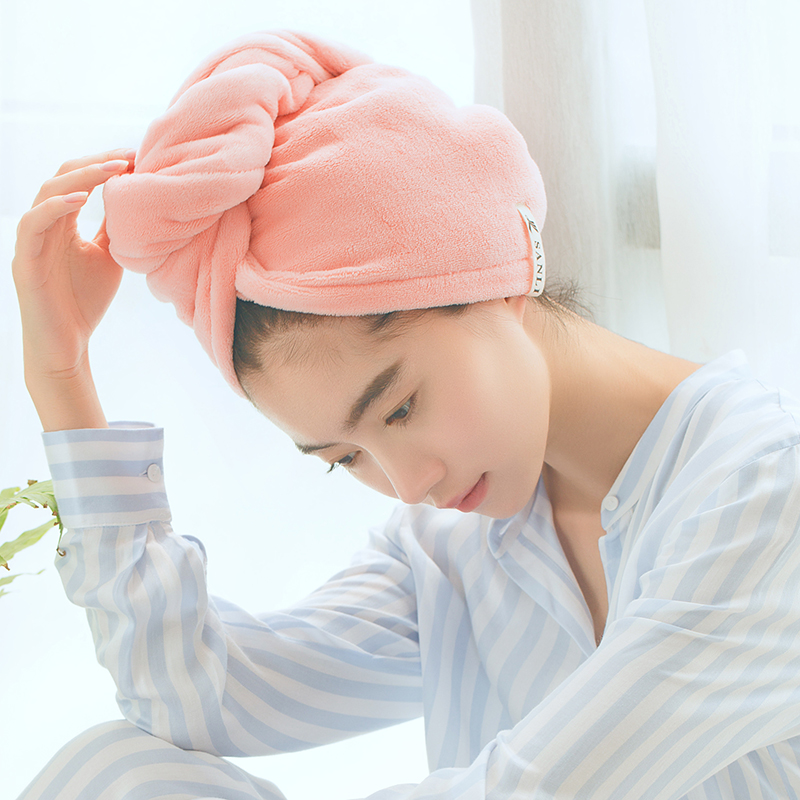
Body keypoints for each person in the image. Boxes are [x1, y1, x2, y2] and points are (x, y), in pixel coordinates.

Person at [12, 29, 800, 800]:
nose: (410, 484)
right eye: (344, 459)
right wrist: (62, 377)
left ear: (496, 272)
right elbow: (197, 698)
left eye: (401, 407)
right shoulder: (455, 547)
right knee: (117, 769)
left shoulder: (765, 496)